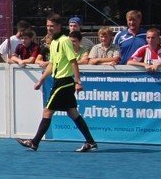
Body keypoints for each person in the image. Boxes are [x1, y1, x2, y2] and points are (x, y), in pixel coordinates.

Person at [16, 14, 99, 153]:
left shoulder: (65, 41)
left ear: (60, 26)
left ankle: (34, 142)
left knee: (47, 111)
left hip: (64, 82)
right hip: (58, 80)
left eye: (52, 26)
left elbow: (73, 61)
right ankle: (90, 142)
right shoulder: (53, 43)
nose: (49, 28)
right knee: (73, 113)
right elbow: (52, 64)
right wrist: (41, 80)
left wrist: (78, 82)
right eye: (47, 26)